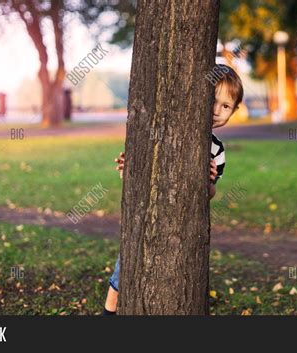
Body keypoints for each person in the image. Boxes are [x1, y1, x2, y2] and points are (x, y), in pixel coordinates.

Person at [103, 64, 244, 315]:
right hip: (150, 209)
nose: (216, 110)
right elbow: (144, 171)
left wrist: (209, 182)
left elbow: (210, 194)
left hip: (183, 221)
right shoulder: (173, 128)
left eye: (225, 106)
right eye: (213, 100)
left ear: (234, 111)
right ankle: (109, 310)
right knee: (127, 262)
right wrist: (130, 169)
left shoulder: (217, 150)